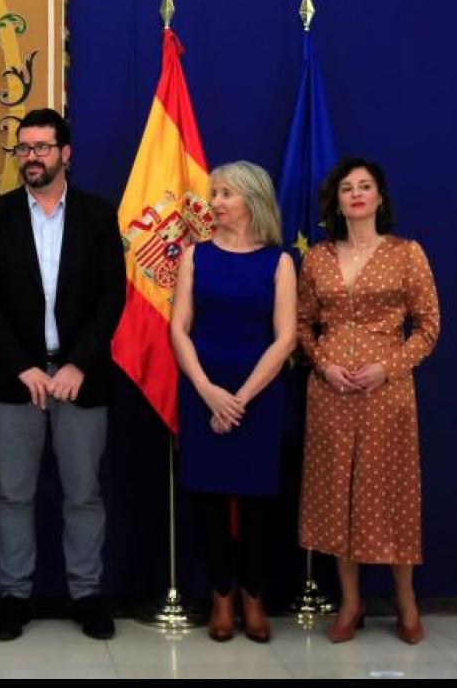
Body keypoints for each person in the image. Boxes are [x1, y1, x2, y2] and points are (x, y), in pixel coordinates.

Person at [0, 108, 125, 641]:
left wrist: (77, 362)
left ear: (66, 154)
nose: (32, 156)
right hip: (15, 380)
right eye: (24, 148)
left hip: (81, 378)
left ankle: (87, 594)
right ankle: (15, 595)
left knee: (83, 494)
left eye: (42, 147)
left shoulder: (98, 216)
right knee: (13, 494)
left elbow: (112, 296)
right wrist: (23, 366)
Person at [297, 157, 440, 645]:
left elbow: (428, 326)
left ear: (380, 197)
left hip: (388, 393)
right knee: (338, 492)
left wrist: (388, 367)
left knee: (393, 492)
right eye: (347, 187)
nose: (356, 193)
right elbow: (301, 325)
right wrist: (324, 365)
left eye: (365, 186)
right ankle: (350, 602)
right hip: (331, 393)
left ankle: (406, 601)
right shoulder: (317, 257)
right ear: (336, 202)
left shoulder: (406, 253)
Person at [170, 161, 296, 643]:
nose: (215, 202)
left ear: (252, 200)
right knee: (208, 498)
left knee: (259, 499)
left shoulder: (279, 261)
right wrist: (207, 391)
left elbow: (285, 338)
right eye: (214, 193)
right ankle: (221, 596)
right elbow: (179, 329)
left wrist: (239, 399)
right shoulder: (195, 256)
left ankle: (253, 596)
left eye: (226, 194)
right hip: (203, 389)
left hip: (258, 394)